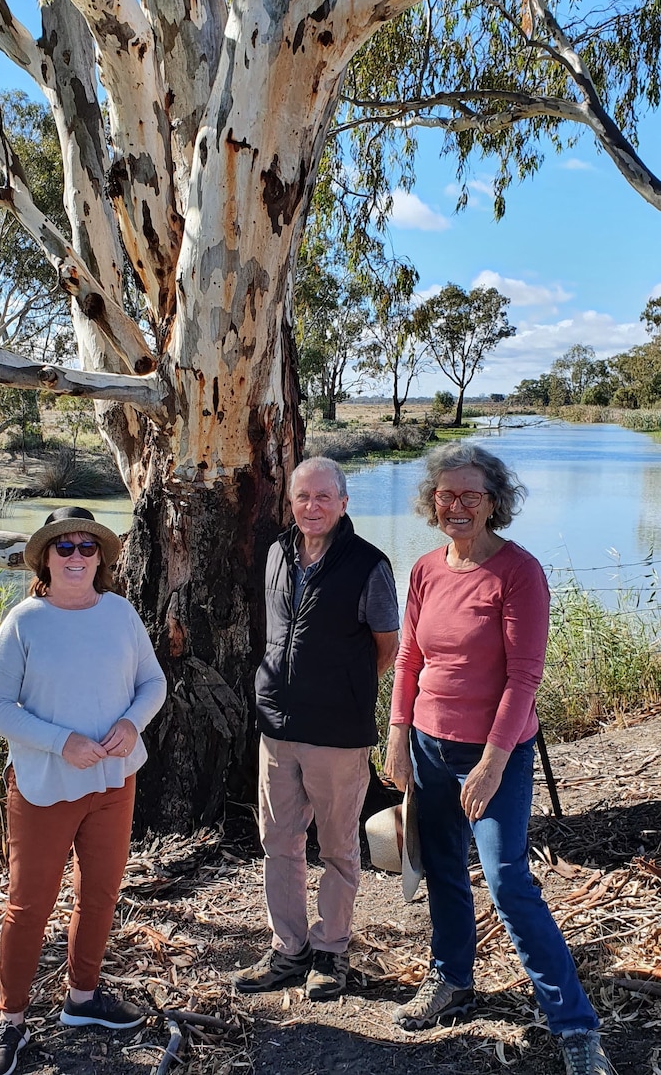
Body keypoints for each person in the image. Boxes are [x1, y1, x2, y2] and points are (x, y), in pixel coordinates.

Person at [384, 443, 614, 1075]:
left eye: (471, 496)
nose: (457, 506)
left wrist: (490, 764)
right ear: (433, 501)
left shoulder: (519, 573)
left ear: (494, 503)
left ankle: (574, 1026)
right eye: (446, 495)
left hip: (497, 754)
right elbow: (409, 660)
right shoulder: (427, 568)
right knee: (443, 868)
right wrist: (397, 733)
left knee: (509, 879)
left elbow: (524, 678)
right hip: (428, 745)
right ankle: (453, 980)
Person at [0, 506, 166, 1075]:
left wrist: (134, 722)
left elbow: (152, 682)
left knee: (102, 892)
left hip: (113, 781)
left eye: (89, 547)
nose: (78, 557)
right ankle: (10, 1020)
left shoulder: (121, 614)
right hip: (43, 787)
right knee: (28, 905)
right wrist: (62, 742)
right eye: (66, 548)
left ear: (102, 558)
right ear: (46, 558)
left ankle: (83, 998)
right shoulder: (24, 622)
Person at [233, 457, 400, 1001]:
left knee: (337, 846)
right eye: (303, 497)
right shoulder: (278, 553)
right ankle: (289, 950)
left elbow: (387, 648)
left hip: (337, 733)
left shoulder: (368, 565)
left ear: (344, 502)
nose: (312, 507)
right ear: (292, 502)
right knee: (279, 842)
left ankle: (330, 951)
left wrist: (340, 689)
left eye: (324, 497)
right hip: (277, 725)